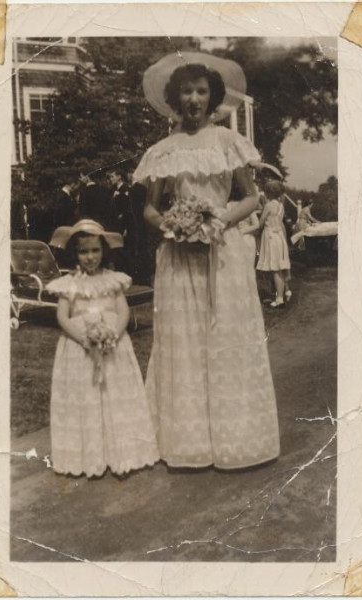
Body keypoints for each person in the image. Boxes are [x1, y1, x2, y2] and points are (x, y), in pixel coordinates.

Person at [133, 52, 280, 470]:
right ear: (175, 99)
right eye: (186, 91)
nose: (194, 98)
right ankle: (187, 444)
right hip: (180, 257)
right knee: (185, 340)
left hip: (223, 252)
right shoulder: (163, 150)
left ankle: (238, 441)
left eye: (201, 90)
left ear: (212, 97)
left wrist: (218, 219)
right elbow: (150, 207)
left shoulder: (227, 141)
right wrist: (175, 227)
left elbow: (250, 196)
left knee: (225, 337)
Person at [46, 219, 159, 478]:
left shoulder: (113, 281)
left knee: (113, 395)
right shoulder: (69, 284)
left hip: (112, 346)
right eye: (83, 252)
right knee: (86, 396)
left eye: (95, 251)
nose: (90, 257)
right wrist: (84, 338)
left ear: (104, 252)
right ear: (75, 254)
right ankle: (90, 453)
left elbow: (123, 312)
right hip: (80, 347)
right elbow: (63, 317)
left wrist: (113, 335)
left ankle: (122, 450)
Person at [257, 181, 292, 308]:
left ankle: (279, 299)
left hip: (270, 237)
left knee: (275, 269)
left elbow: (260, 223)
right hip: (279, 237)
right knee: (279, 268)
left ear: (268, 193)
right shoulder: (281, 205)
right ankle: (282, 295)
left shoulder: (268, 205)